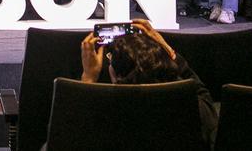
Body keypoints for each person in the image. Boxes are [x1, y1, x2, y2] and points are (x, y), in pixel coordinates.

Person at [78, 21, 218, 147]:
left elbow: (76, 134)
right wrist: (168, 50)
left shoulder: (106, 118)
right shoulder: (190, 109)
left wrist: (88, 78)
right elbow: (202, 94)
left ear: (116, 75)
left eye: (110, 58)